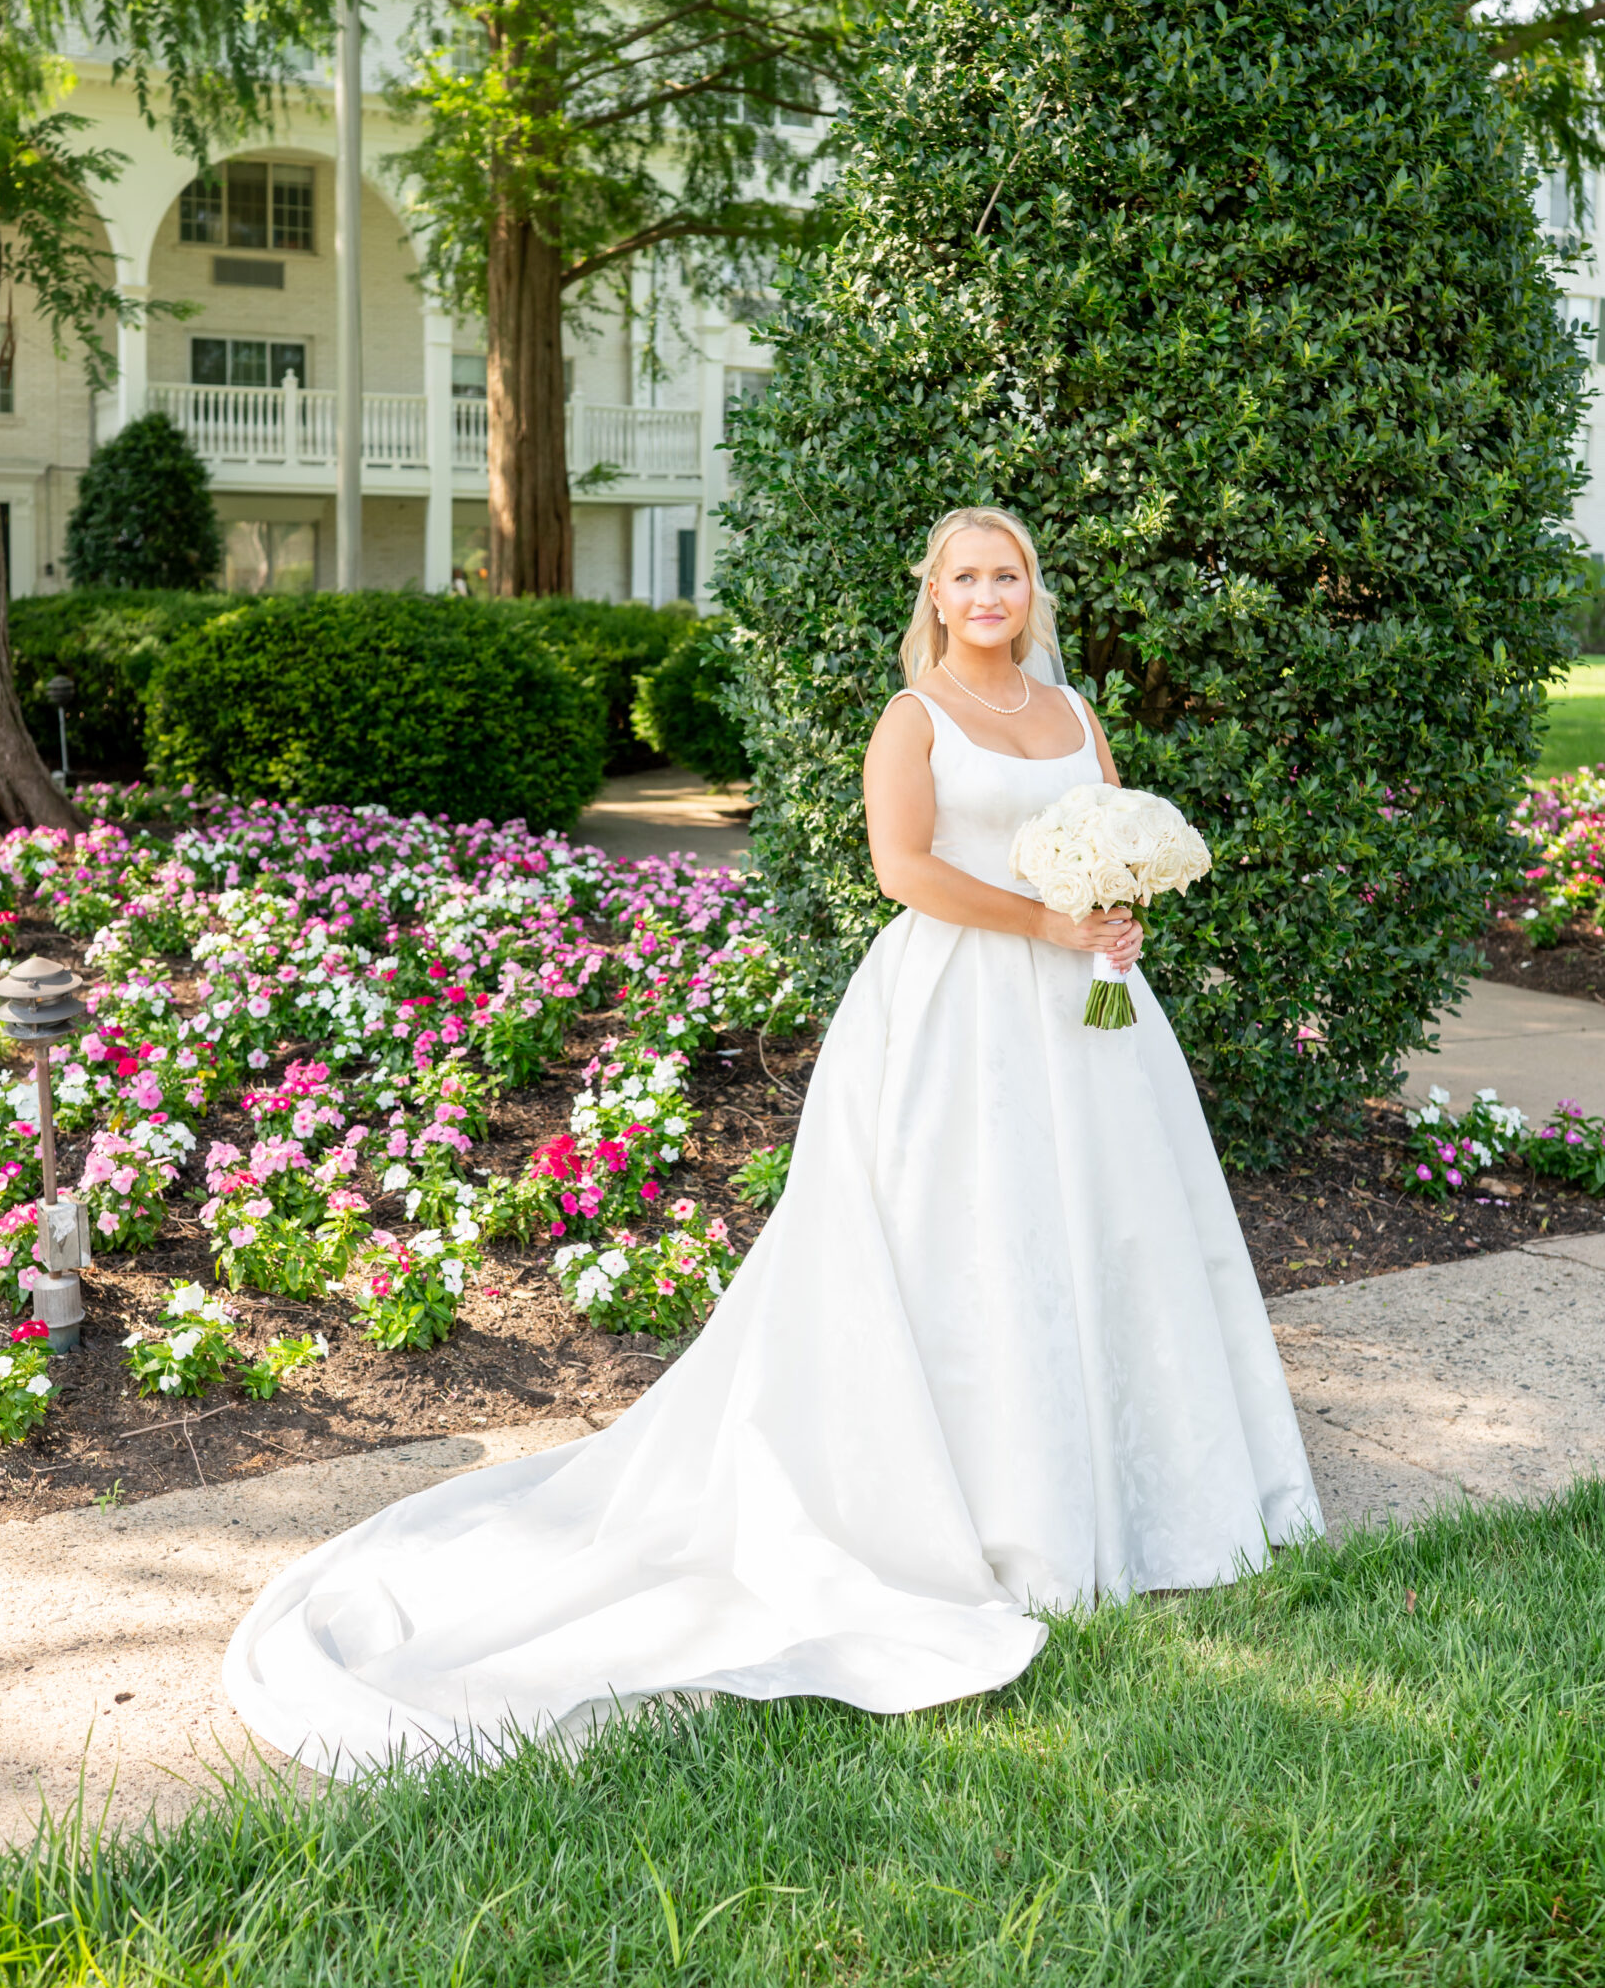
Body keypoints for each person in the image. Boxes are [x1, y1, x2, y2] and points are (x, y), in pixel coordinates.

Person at [225, 504, 1321, 1774]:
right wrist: (1046, 923)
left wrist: (1114, 917)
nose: (985, 592)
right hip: (957, 1014)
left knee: (1111, 1230)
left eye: (1004, 573)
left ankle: (1139, 1501)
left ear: (1031, 589)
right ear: (935, 592)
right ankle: (997, 1517)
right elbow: (901, 868)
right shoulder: (913, 720)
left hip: (1089, 1021)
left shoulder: (1074, 717)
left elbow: (1108, 839)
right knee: (971, 1242)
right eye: (964, 575)